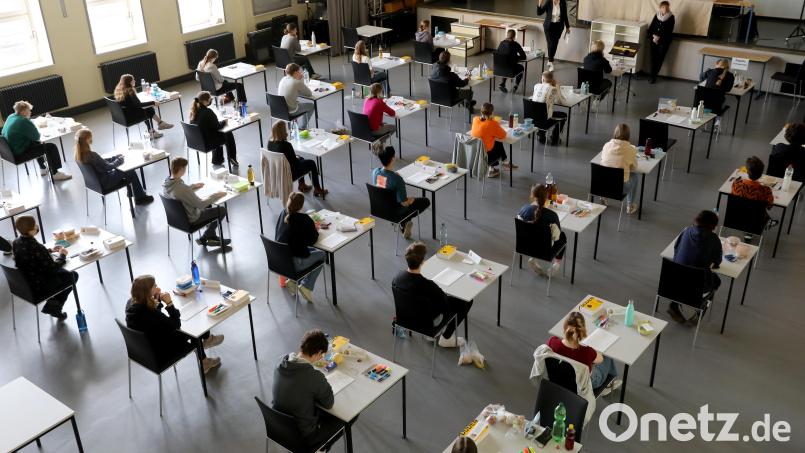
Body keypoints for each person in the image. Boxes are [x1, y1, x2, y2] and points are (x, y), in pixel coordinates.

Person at [125, 275, 223, 373]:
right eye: (155, 286)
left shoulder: (131, 304)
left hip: (143, 351)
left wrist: (156, 302)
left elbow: (155, 321)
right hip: (162, 352)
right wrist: (169, 303)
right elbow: (176, 324)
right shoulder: (150, 314)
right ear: (147, 292)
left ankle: (207, 339)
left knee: (189, 325)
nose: (158, 288)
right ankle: (205, 361)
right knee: (194, 330)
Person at [272, 330, 344, 451]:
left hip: (277, 426)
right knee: (345, 419)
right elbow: (329, 403)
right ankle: (320, 448)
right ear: (318, 353)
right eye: (322, 355)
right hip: (303, 438)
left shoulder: (280, 361)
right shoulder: (313, 376)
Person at [392, 242, 472, 348]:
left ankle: (430, 335)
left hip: (405, 320)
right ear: (423, 262)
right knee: (466, 302)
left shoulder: (397, 278)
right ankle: (446, 338)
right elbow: (445, 305)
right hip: (427, 325)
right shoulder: (428, 285)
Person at [11, 215, 78, 320]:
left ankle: (54, 304)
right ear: (31, 230)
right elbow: (53, 268)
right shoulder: (37, 247)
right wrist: (62, 255)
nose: (37, 227)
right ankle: (54, 306)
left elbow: (29, 256)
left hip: (26, 282)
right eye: (35, 226)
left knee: (64, 273)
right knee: (72, 275)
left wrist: (49, 251)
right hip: (40, 285)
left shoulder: (16, 242)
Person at [162, 157, 230, 248]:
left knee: (208, 204)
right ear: (182, 169)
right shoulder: (182, 189)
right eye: (185, 168)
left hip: (177, 219)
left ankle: (211, 235)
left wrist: (192, 186)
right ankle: (207, 236)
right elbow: (200, 205)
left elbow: (178, 192)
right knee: (221, 210)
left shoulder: (167, 183)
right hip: (192, 218)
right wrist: (216, 195)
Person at [73, 128, 153, 205]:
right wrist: (119, 160)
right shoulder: (92, 155)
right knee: (130, 171)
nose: (92, 139)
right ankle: (140, 198)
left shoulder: (79, 156)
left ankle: (132, 193)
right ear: (87, 140)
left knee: (127, 173)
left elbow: (100, 163)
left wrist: (114, 158)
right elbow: (108, 167)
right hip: (106, 182)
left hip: (96, 184)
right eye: (90, 137)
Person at [547, 312, 621, 394]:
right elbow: (600, 360)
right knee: (606, 357)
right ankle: (608, 385)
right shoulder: (587, 352)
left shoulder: (552, 341)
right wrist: (594, 349)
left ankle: (609, 384)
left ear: (564, 327)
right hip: (584, 385)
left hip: (559, 379)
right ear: (582, 331)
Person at [670, 210, 723, 326]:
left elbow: (676, 249)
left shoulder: (686, 231)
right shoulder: (714, 239)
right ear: (713, 225)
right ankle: (701, 309)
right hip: (697, 286)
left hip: (674, 281)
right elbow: (717, 261)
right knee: (717, 281)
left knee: (685, 272)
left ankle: (674, 304)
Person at [371, 143, 430, 239]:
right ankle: (404, 220)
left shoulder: (375, 172)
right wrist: (411, 200)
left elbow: (384, 184)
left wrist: (393, 175)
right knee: (425, 201)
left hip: (380, 209)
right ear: (393, 158)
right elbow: (404, 203)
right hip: (394, 212)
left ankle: (404, 222)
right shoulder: (397, 180)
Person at [1, 101, 72, 181]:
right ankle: (55, 173)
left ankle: (43, 168)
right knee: (51, 147)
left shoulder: (11, 116)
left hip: (9, 152)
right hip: (19, 154)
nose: (30, 112)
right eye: (29, 110)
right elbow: (37, 136)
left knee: (36, 143)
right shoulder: (23, 121)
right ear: (23, 111)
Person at [275, 192, 325, 302]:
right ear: (302, 205)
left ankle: (293, 282)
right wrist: (314, 229)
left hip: (278, 261)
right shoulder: (304, 219)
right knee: (322, 255)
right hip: (293, 262)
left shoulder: (283, 213)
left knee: (311, 251)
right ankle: (306, 286)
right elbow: (313, 239)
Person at [268, 121, 328, 198]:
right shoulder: (286, 145)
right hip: (289, 174)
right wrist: (297, 158)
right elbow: (295, 164)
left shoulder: (270, 143)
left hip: (278, 172)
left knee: (301, 158)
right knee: (311, 163)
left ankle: (302, 185)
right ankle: (317, 189)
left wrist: (297, 158)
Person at [517, 184, 567, 276]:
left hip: (525, 246)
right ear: (546, 196)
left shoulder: (523, 210)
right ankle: (556, 264)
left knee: (534, 236)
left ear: (532, 195)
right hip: (545, 250)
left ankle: (533, 258)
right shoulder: (552, 215)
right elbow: (557, 237)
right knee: (562, 236)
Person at [113, 74, 173, 140]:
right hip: (130, 117)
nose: (135, 81)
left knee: (147, 110)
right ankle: (157, 127)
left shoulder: (119, 90)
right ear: (129, 82)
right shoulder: (130, 91)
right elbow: (139, 105)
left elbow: (133, 104)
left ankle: (156, 127)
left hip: (123, 116)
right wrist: (153, 102)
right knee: (148, 109)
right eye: (133, 80)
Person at [189, 91, 238, 167]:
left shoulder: (193, 112)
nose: (210, 101)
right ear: (205, 101)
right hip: (208, 143)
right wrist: (225, 122)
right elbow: (218, 126)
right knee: (227, 133)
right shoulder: (208, 111)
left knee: (215, 133)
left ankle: (217, 159)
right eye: (209, 99)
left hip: (197, 142)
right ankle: (232, 157)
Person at [600, 123, 639, 214]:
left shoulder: (606, 145)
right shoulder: (631, 150)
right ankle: (630, 205)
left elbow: (602, 160)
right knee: (635, 176)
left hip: (602, 185)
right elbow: (634, 168)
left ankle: (604, 197)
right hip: (619, 189)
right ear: (628, 135)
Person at [470, 103, 515, 178]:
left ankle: (500, 165)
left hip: (474, 153)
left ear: (481, 112)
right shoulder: (492, 124)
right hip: (487, 157)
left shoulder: (475, 119)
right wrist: (495, 123)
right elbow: (503, 135)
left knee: (494, 141)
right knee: (498, 142)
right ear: (492, 113)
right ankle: (503, 163)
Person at [731, 156, 777, 228]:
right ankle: (769, 221)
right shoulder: (766, 190)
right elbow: (769, 207)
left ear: (747, 171)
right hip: (756, 221)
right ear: (761, 174)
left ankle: (769, 220)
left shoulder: (736, 184)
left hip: (736, 217)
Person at [531, 71, 568, 145]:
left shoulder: (536, 86)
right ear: (552, 80)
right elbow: (562, 102)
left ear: (543, 79)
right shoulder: (553, 89)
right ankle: (555, 137)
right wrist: (557, 88)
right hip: (545, 120)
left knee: (541, 111)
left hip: (532, 118)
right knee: (564, 115)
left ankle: (541, 134)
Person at [277, 63, 315, 130]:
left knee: (298, 102)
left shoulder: (283, 79)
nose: (300, 72)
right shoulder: (297, 82)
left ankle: (294, 125)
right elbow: (309, 93)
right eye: (299, 71)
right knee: (311, 106)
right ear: (295, 72)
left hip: (280, 110)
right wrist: (301, 79)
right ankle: (302, 127)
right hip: (291, 110)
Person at [537, 0, 570, 72]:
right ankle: (551, 61)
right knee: (550, 43)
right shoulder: (549, 2)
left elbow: (564, 15)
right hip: (548, 27)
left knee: (554, 44)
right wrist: (540, 3)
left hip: (558, 27)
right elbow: (539, 13)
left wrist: (567, 27)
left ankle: (550, 59)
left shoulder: (562, 2)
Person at [647, 1, 675, 84]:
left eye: (667, 7)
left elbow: (669, 31)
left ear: (669, 8)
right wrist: (653, 36)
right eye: (663, 7)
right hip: (653, 40)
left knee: (659, 59)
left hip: (664, 42)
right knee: (653, 58)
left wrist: (659, 37)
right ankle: (652, 75)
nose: (665, 9)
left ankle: (653, 77)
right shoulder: (656, 15)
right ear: (660, 8)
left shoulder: (671, 17)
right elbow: (651, 28)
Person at [495, 29, 527, 93]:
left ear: (507, 35)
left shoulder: (501, 43)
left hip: (499, 69)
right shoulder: (515, 44)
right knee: (521, 68)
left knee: (506, 64)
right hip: (510, 70)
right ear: (514, 36)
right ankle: (515, 86)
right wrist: (516, 58)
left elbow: (498, 54)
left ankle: (502, 83)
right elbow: (524, 56)